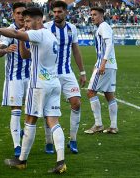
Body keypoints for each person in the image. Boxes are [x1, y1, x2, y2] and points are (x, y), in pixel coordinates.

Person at [0, 7, 66, 174]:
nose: (26, 24)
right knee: (53, 122)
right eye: (24, 21)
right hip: (53, 84)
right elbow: (26, 55)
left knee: (30, 120)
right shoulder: (50, 35)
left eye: (28, 21)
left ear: (38, 20)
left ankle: (22, 160)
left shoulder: (39, 33)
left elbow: (14, 34)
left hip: (38, 85)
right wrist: (21, 39)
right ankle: (61, 161)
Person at [43, 0, 86, 154]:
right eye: (54, 12)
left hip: (67, 72)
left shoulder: (72, 28)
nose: (56, 14)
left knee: (76, 103)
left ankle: (73, 140)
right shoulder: (46, 27)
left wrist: (82, 72)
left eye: (59, 12)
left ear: (66, 12)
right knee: (48, 109)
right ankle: (48, 141)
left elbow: (75, 50)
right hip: (50, 73)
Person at [0, 2, 30, 158]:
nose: (21, 16)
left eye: (23, 13)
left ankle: (24, 132)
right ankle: (17, 145)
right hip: (14, 77)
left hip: (31, 78)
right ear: (13, 15)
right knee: (16, 110)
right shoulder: (8, 31)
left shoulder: (32, 29)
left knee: (31, 111)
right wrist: (5, 49)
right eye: (18, 13)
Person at [84, 7, 118, 134]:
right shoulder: (102, 27)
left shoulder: (103, 26)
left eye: (95, 14)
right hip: (110, 65)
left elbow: (109, 45)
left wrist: (102, 64)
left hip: (106, 65)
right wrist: (97, 63)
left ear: (102, 15)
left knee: (91, 92)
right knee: (109, 94)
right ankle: (113, 126)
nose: (92, 17)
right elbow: (103, 49)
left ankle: (98, 124)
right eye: (91, 15)